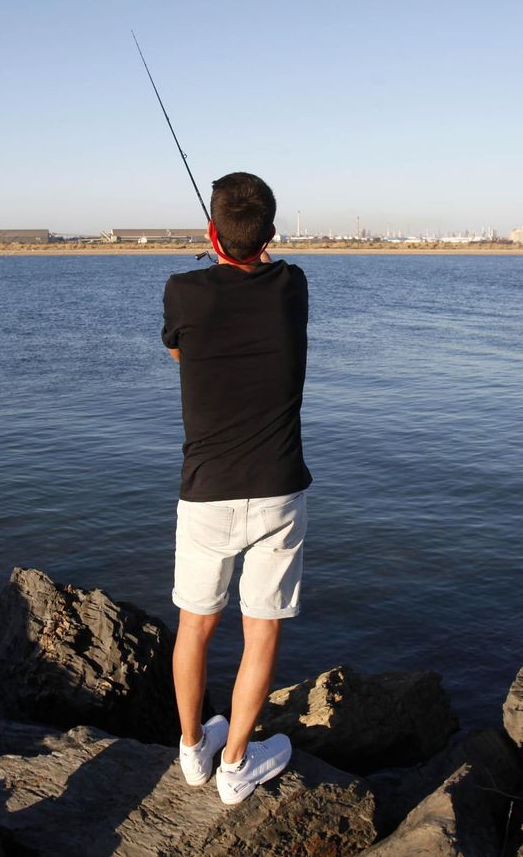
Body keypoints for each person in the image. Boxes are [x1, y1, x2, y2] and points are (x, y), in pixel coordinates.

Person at [161, 171, 311, 805]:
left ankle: (194, 751)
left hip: (206, 491)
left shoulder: (183, 292)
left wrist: (219, 256)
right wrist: (244, 251)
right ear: (271, 235)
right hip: (277, 489)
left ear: (210, 231)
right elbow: (263, 264)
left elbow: (180, 355)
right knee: (262, 629)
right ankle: (236, 764)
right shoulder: (293, 286)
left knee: (193, 626)